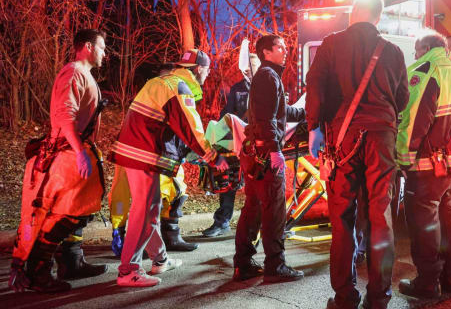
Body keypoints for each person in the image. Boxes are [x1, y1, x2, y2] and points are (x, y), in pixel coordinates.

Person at [306, 0, 409, 309]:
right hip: (382, 139)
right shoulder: (392, 51)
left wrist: (314, 128)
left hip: (343, 139)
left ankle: (346, 301)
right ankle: (379, 301)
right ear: (378, 18)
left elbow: (315, 87)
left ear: (353, 14)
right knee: (381, 219)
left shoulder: (331, 44)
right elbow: (402, 98)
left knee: (343, 219)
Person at [110, 49, 228, 287]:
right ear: (198, 69)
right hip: (144, 154)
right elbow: (191, 127)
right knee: (147, 211)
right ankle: (128, 271)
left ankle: (160, 259)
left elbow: (169, 126)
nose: (208, 74)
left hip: (133, 152)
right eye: (206, 69)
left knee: (148, 208)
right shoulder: (179, 87)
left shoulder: (161, 82)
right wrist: (213, 157)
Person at [9, 29, 108, 292]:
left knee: (78, 212)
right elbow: (65, 115)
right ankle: (39, 273)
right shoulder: (73, 72)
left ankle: (71, 261)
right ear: (87, 46)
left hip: (73, 152)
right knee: (61, 216)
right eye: (102, 47)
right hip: (66, 156)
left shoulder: (83, 74)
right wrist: (78, 152)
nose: (105, 53)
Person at [396, 32, 451, 298]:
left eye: (417, 50)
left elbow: (412, 120)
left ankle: (428, 282)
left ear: (427, 48)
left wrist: (401, 157)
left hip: (427, 164)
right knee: (449, 216)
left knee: (423, 221)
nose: (415, 55)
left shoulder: (425, 70)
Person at [233, 34, 305, 282]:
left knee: (253, 208)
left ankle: (242, 264)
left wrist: (309, 111)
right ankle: (275, 265)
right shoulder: (267, 76)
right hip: (265, 154)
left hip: (256, 154)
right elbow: (266, 119)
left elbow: (282, 110)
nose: (286, 50)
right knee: (274, 210)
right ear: (266, 52)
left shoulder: (268, 76)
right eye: (280, 47)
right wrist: (274, 151)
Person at [203, 53, 261, 237]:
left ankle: (259, 223)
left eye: (253, 65)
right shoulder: (237, 88)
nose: (249, 70)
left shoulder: (269, 85)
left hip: (261, 142)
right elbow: (227, 114)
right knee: (228, 183)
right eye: (247, 66)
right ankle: (222, 222)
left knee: (260, 184)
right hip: (238, 141)